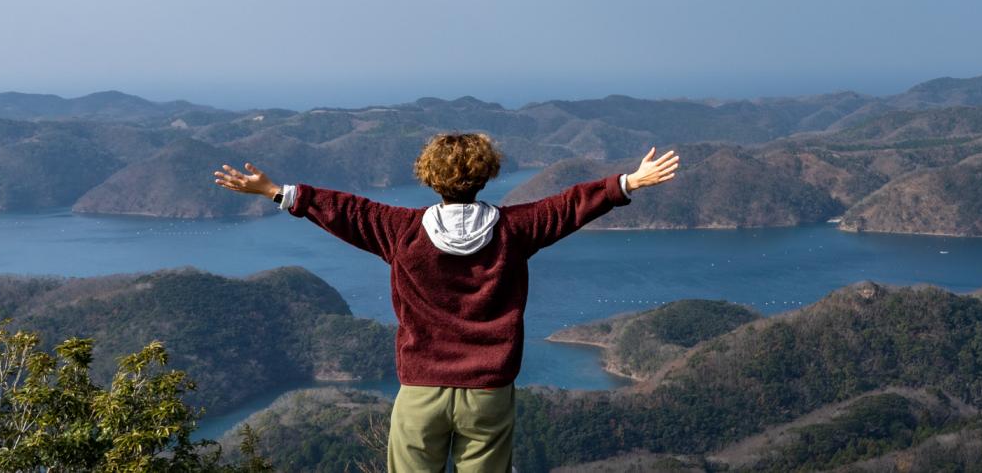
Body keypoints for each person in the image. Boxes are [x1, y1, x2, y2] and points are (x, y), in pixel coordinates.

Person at [213, 133, 679, 472]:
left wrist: (275, 191)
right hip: (489, 392)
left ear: (429, 177)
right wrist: (628, 183)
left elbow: (343, 210)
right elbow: (569, 205)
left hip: (421, 391)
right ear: (486, 174)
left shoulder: (401, 230)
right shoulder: (514, 230)